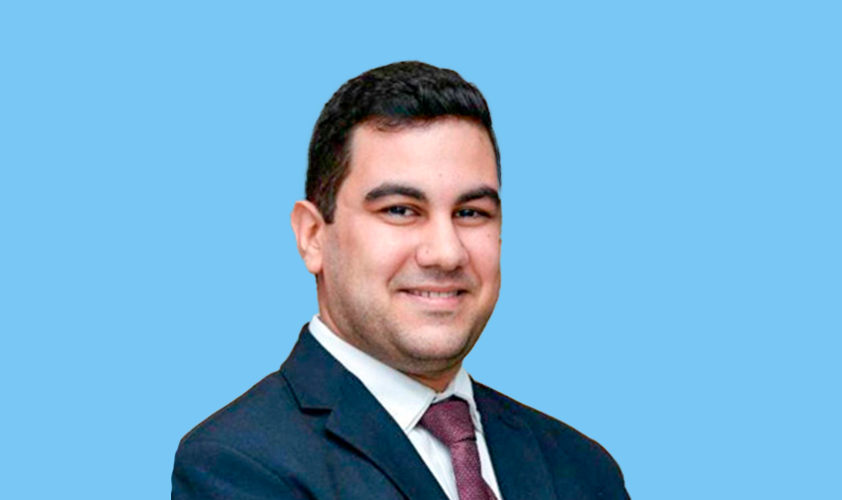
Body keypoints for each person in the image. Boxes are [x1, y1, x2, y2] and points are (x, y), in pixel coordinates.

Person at [172, 61, 631, 500]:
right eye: (400, 210)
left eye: (471, 213)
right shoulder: (238, 464)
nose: (446, 253)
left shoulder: (581, 468)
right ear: (312, 236)